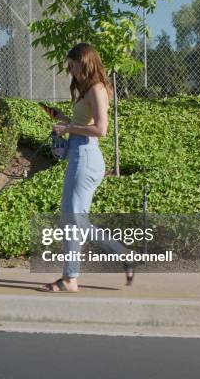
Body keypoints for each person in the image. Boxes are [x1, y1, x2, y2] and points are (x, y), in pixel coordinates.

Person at [39, 43, 134, 292]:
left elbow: (101, 129)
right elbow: (84, 123)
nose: (69, 71)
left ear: (84, 62)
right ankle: (114, 257)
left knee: (73, 219)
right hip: (78, 153)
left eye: (72, 65)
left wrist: (69, 129)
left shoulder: (97, 89)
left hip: (86, 156)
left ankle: (72, 277)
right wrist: (63, 119)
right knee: (73, 219)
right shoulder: (86, 90)